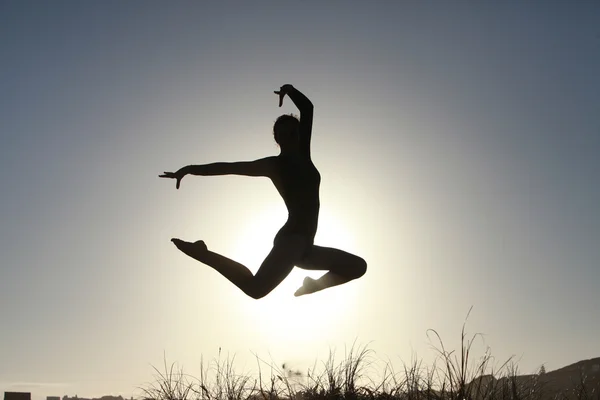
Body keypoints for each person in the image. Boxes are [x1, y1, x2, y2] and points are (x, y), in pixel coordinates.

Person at [159, 84, 366, 299]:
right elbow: (229, 167)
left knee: (358, 266)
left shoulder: (305, 155)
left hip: (306, 247)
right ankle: (203, 254)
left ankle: (314, 285)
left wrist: (289, 89)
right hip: (292, 239)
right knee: (256, 289)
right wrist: (189, 170)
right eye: (283, 134)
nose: (289, 137)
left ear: (299, 134)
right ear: (277, 140)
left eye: (293, 132)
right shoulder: (274, 166)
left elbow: (308, 108)